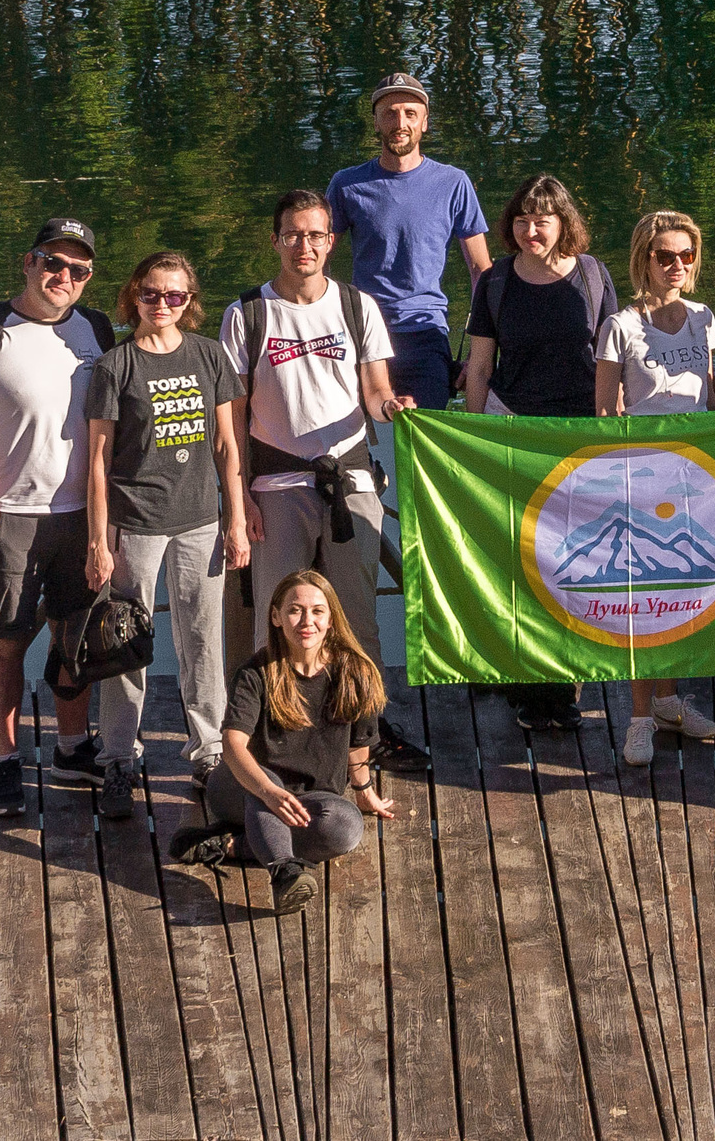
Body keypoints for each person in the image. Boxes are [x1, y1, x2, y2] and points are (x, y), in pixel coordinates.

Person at [222, 190, 429, 772]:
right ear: (275, 241)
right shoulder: (247, 314)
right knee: (280, 615)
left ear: (331, 242)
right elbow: (232, 420)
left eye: (315, 235)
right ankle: (279, 738)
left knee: (355, 616)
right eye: (292, 234)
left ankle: (366, 737)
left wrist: (394, 409)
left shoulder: (358, 307)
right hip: (276, 486)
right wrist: (237, 502)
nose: (304, 246)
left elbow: (375, 392)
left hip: (349, 480)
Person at [0, 216, 116, 819]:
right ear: (28, 262)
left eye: (79, 269)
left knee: (79, 635)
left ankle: (72, 744)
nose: (63, 276)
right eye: (53, 262)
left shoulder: (95, 329)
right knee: (8, 639)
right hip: (11, 515)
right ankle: (5, 757)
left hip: (83, 515)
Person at [84, 250, 247, 812]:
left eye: (174, 296)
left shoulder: (209, 356)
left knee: (203, 642)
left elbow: (227, 445)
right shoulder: (116, 366)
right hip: (135, 525)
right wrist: (97, 541)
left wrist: (238, 519)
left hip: (202, 522)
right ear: (134, 295)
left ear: (189, 302)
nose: (161, 305)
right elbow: (99, 460)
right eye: (151, 294)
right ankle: (119, 760)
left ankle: (208, 752)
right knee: (125, 643)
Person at [463, 173, 619, 731]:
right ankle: (530, 688)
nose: (532, 229)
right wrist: (475, 439)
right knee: (524, 561)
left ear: (563, 224)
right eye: (523, 219)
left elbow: (612, 363)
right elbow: (479, 366)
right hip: (515, 434)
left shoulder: (595, 277)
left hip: (580, 439)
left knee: (575, 563)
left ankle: (565, 684)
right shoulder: (496, 282)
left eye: (544, 219)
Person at [175, 570, 400, 916]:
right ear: (277, 616)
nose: (306, 621)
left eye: (317, 611)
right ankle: (284, 871)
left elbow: (359, 743)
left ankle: (234, 845)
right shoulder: (255, 672)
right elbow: (233, 742)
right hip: (244, 787)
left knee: (346, 827)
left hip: (310, 800)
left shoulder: (356, 672)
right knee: (269, 788)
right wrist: (267, 791)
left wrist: (364, 790)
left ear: (330, 619)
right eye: (295, 610)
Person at [595, 209, 715, 767]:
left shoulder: (703, 318)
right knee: (639, 598)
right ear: (644, 261)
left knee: (683, 589)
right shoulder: (621, 326)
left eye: (686, 256)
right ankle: (639, 717)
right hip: (639, 475)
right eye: (664, 257)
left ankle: (671, 700)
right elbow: (605, 409)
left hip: (691, 474)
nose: (676, 265)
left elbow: (713, 397)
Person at [324, 70, 490, 431]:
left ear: (425, 122)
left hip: (426, 332)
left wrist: (479, 355)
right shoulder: (347, 184)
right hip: (363, 332)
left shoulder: (453, 183)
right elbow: (318, 262)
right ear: (376, 123)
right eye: (390, 113)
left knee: (424, 431)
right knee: (358, 439)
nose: (400, 122)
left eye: (410, 113)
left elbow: (481, 270)